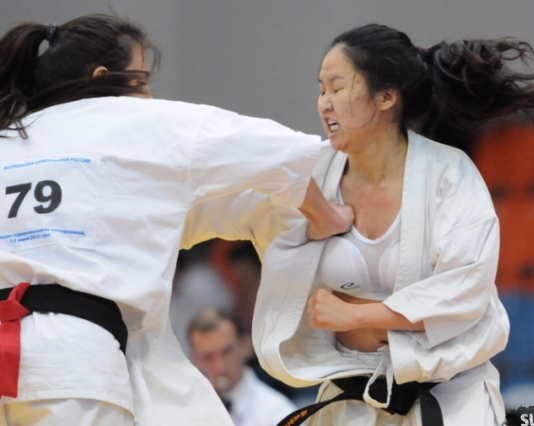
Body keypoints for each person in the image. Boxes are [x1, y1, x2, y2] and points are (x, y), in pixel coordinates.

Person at [0, 14, 352, 426]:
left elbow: (166, 219)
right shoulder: (127, 118)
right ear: (102, 79)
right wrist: (327, 216)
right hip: (72, 362)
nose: (149, 95)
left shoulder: (9, 138)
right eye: (142, 79)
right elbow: (283, 153)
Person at [248, 24, 534, 426]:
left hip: (450, 400)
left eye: (337, 87)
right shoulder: (309, 176)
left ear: (386, 97)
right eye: (321, 90)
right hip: (350, 400)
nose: (324, 103)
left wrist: (356, 316)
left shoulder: (449, 174)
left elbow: (464, 289)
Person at [188, 308, 297, 426]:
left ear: (245, 346)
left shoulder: (277, 413)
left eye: (227, 352)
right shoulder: (186, 411)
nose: (220, 366)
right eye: (208, 357)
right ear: (196, 359)